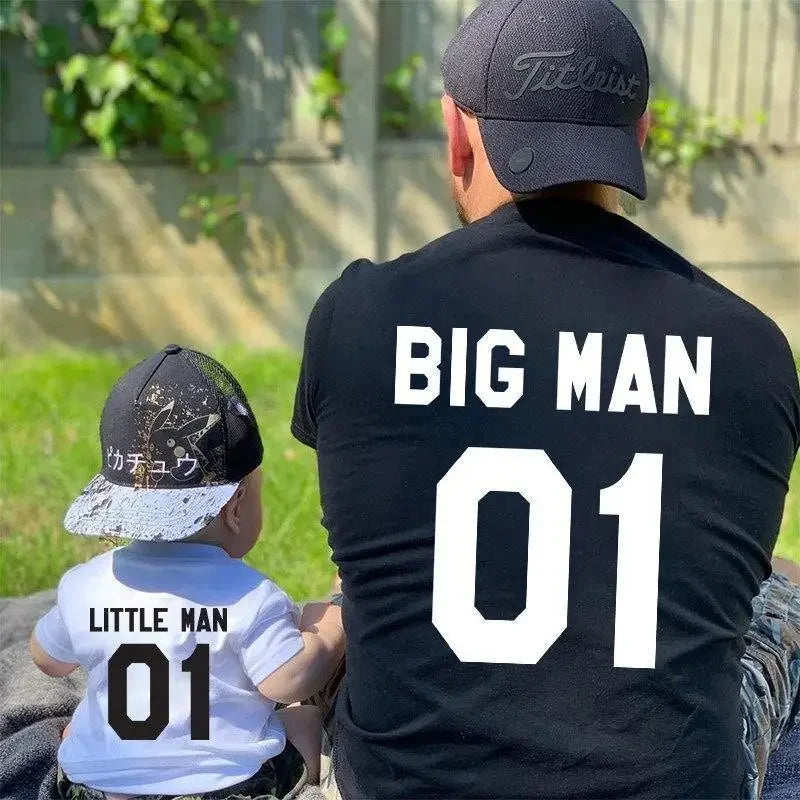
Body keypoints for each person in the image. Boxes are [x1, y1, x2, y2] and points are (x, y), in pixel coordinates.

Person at [290, 0, 800, 797]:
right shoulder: (752, 350)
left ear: (458, 134)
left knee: (359, 588)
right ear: (641, 136)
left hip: (396, 787)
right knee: (778, 588)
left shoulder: (357, 316)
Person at [30, 345, 345, 800]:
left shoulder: (83, 586)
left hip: (97, 789)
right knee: (301, 719)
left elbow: (47, 658)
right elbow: (287, 680)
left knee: (80, 726)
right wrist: (332, 623)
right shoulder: (249, 596)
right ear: (235, 506)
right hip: (224, 789)